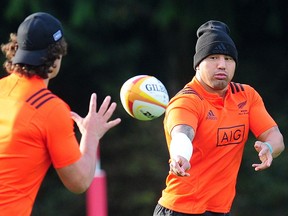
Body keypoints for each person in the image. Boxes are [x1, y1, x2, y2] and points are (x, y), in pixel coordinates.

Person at [153, 20, 285, 216]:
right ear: (198, 64)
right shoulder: (187, 100)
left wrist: (269, 147)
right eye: (213, 57)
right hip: (180, 209)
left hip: (220, 211)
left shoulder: (246, 96)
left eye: (228, 59)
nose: (222, 65)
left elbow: (275, 137)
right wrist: (180, 156)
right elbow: (182, 134)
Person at [0, 12, 121, 215]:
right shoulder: (50, 109)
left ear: (15, 49)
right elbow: (79, 181)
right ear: (56, 58)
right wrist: (91, 135)